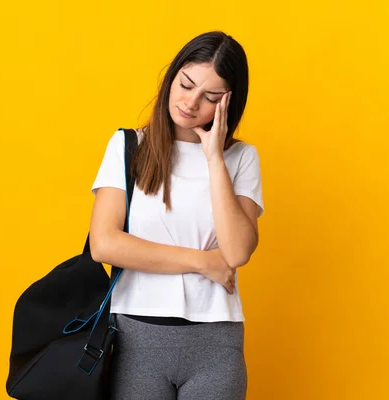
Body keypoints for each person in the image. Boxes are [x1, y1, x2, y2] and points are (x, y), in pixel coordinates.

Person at [89, 31, 264, 400]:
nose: (191, 103)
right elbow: (104, 244)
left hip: (216, 341)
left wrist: (214, 157)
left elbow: (236, 254)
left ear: (228, 104)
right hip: (136, 338)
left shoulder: (241, 158)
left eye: (210, 97)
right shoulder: (128, 146)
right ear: (172, 76)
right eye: (185, 85)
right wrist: (202, 262)